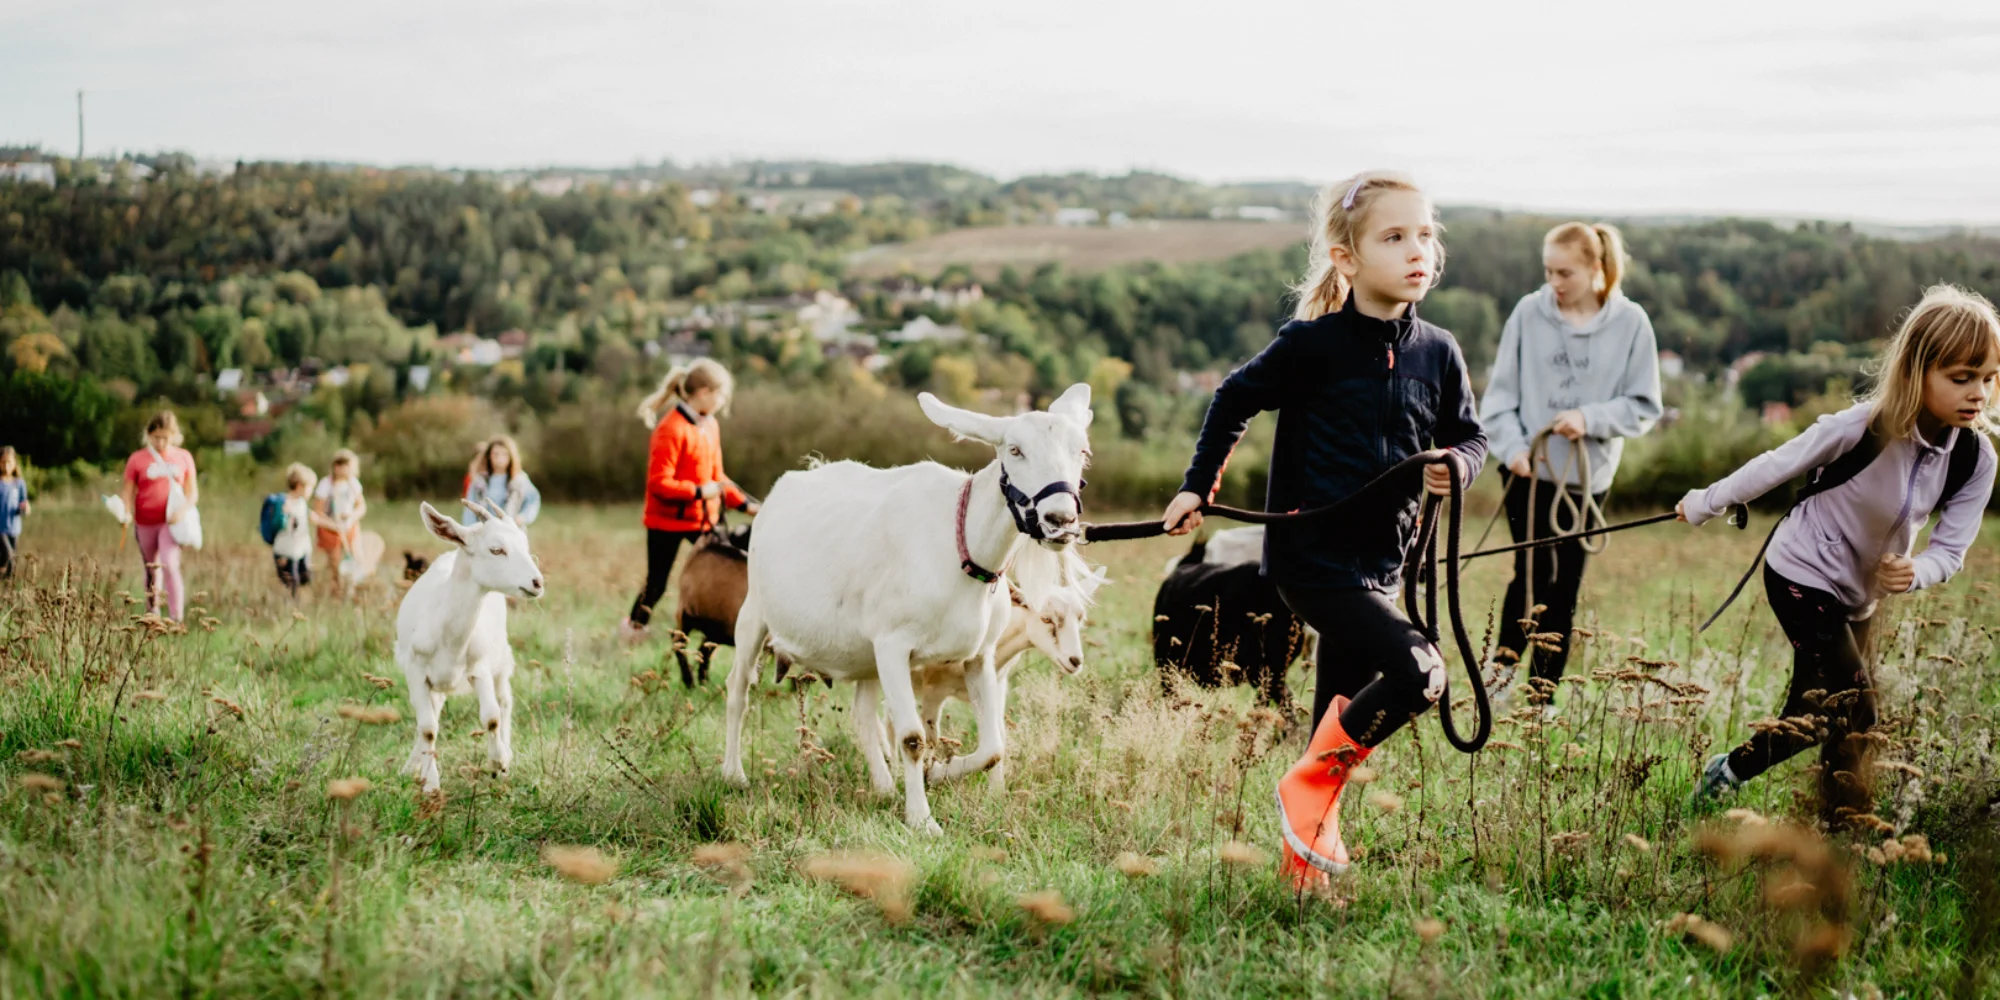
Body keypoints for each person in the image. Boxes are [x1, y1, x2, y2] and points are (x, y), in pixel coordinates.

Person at [1160, 171, 1487, 887]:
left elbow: (1470, 437)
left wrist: (1456, 469)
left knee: (1335, 715)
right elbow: (1232, 399)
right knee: (1420, 673)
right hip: (1314, 564)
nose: (1418, 252)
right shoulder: (1314, 347)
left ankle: (1301, 872)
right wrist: (1196, 487)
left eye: (1426, 235)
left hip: (1385, 566)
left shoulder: (1440, 351)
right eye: (1395, 237)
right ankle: (1307, 788)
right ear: (1346, 258)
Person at [1682, 285, 1997, 825]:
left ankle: (1733, 775)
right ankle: (1848, 825)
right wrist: (1704, 503)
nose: (1979, 393)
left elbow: (1951, 550)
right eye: (1961, 377)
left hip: (1859, 595)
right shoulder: (1862, 428)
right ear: (1917, 371)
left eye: (1989, 377)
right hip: (1801, 571)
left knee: (1812, 712)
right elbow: (1775, 465)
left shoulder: (1975, 458)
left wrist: (1916, 570)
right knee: (1857, 705)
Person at [1479, 222, 1662, 699]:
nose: (1554, 283)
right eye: (1549, 271)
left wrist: (1591, 417)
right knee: (1531, 570)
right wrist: (1513, 448)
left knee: (1564, 584)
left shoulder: (1631, 322)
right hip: (1527, 469)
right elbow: (1499, 396)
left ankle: (1543, 693)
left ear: (1596, 270)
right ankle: (1499, 677)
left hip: (1585, 479)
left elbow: (1644, 405)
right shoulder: (1527, 313)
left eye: (1566, 273)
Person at [620, 359, 758, 644]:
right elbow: (659, 483)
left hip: (703, 520)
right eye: (722, 395)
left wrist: (747, 505)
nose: (723, 402)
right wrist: (699, 492)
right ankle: (632, 633)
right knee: (656, 584)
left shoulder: (710, 426)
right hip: (666, 522)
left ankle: (722, 626)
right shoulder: (670, 428)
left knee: (731, 564)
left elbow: (718, 478)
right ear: (705, 392)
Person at [118, 412, 199, 620]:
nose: (161, 442)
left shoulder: (183, 457)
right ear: (149, 435)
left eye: (165, 437)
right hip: (145, 521)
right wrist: (125, 511)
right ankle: (152, 613)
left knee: (169, 564)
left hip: (171, 522)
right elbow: (128, 490)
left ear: (173, 435)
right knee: (152, 568)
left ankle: (176, 617)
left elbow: (192, 492)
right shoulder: (137, 459)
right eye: (156, 437)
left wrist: (182, 511)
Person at [313, 449, 368, 592]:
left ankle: (354, 588)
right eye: (339, 465)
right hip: (330, 526)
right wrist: (333, 524)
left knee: (356, 556)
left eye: (345, 465)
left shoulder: (353, 483)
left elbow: (361, 505)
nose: (342, 468)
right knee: (334, 561)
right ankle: (335, 590)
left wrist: (352, 517)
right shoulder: (326, 484)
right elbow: (318, 510)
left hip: (349, 525)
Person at [462, 435, 542, 527]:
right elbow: (469, 509)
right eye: (496, 454)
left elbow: (533, 500)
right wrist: (470, 530)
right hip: (485, 533)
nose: (500, 458)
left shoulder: (519, 480)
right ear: (489, 456)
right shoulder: (479, 482)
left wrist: (523, 517)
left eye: (504, 454)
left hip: (511, 532)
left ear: (511, 456)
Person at [273, 463, 317, 597]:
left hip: (301, 550)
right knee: (293, 581)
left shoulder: (301, 503)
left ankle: (294, 601)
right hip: (286, 551)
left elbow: (313, 518)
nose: (311, 491)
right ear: (299, 486)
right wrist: (285, 514)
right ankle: (292, 606)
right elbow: (283, 523)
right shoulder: (286, 503)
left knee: (306, 577)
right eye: (310, 488)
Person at [0, 446, 27, 579]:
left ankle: (6, 583)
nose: (6, 466)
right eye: (3, 462)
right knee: (8, 555)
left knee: (12, 560)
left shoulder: (19, 483)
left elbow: (23, 503)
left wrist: (24, 509)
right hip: (0, 528)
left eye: (9, 462)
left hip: (14, 527)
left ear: (14, 464)